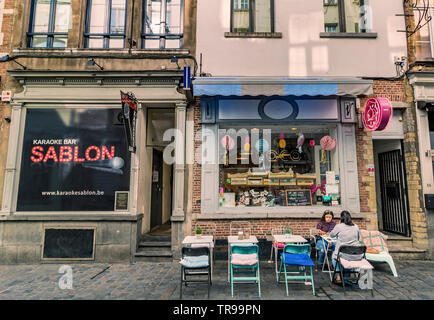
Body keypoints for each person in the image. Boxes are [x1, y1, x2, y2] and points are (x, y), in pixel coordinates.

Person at [329, 210, 363, 284]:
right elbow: (358, 237)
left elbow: (331, 235)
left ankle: (338, 276)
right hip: (356, 255)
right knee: (348, 256)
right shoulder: (356, 226)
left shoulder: (339, 226)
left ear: (341, 218)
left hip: (343, 254)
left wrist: (338, 224)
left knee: (334, 256)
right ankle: (349, 275)